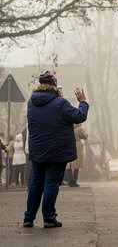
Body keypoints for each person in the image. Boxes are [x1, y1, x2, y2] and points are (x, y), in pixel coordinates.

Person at [23, 71, 89, 228]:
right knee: (51, 183)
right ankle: (49, 217)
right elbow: (79, 117)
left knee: (36, 183)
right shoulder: (60, 103)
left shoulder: (31, 103)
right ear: (54, 85)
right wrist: (83, 102)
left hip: (38, 150)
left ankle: (28, 218)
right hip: (56, 151)